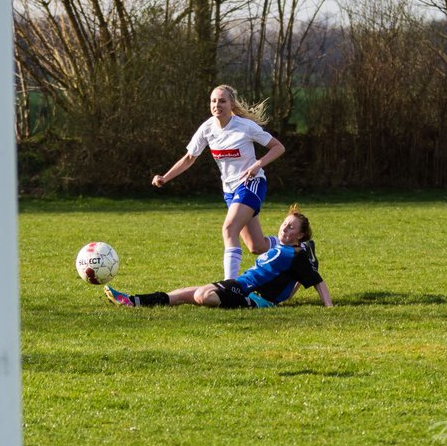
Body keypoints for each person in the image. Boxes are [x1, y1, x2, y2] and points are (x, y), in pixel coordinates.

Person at [152, 84, 285, 280]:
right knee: (256, 246)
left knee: (229, 228)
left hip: (252, 183)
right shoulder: (207, 128)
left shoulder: (245, 126)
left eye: (222, 101)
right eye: (213, 101)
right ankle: (292, 247)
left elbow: (278, 147)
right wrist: (165, 177)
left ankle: (229, 285)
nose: (217, 105)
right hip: (230, 191)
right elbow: (189, 158)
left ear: (231, 104)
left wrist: (258, 164)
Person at [104, 204, 332, 309]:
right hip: (241, 285)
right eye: (284, 224)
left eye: (291, 227)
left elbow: (317, 281)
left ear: (300, 235)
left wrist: (329, 308)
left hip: (255, 297)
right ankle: (135, 301)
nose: (285, 228)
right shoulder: (279, 250)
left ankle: (241, 303)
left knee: (204, 296)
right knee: (187, 293)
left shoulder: (297, 254)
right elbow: (294, 285)